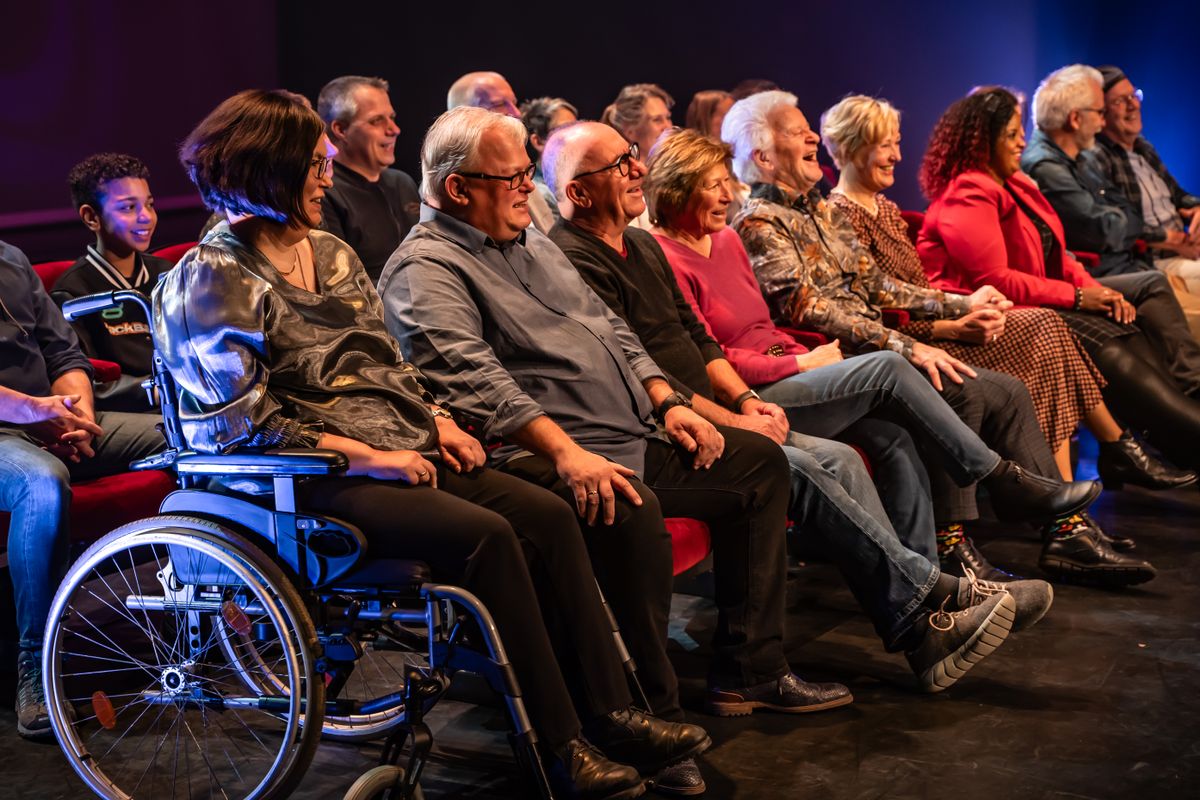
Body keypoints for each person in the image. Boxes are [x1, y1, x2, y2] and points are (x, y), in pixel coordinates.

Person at [159, 89, 708, 800]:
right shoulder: (211, 277)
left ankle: (611, 714)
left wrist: (436, 419)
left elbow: (389, 366)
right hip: (301, 477)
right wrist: (372, 457)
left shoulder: (329, 253)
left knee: (548, 514)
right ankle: (560, 746)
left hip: (395, 449)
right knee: (489, 537)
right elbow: (240, 426)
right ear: (272, 171)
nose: (328, 176)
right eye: (316, 165)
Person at [380, 106, 867, 794]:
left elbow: (611, 328)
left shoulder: (527, 238)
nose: (527, 188)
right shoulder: (425, 268)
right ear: (458, 189)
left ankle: (749, 671)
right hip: (544, 451)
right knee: (627, 507)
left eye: (527, 173)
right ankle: (651, 719)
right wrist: (567, 454)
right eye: (512, 177)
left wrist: (669, 401)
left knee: (758, 466)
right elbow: (476, 381)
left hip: (631, 430)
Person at [547, 122, 1064, 695]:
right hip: (667, 426)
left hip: (722, 405)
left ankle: (924, 629)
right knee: (815, 446)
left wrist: (746, 402)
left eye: (633, 156)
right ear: (578, 192)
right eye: (620, 164)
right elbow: (639, 373)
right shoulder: (572, 259)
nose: (637, 169)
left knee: (844, 455)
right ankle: (936, 591)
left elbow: (699, 340)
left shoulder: (639, 245)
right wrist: (742, 410)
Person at [721, 90, 1154, 588]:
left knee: (1008, 391)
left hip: (879, 346)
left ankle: (1059, 525)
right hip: (841, 356)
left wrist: (962, 303)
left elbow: (879, 286)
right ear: (764, 157)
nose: (812, 137)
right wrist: (909, 344)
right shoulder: (760, 221)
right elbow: (808, 311)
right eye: (798, 132)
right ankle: (955, 546)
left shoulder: (819, 209)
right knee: (964, 389)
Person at [821, 93, 1191, 493]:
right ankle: (1087, 476)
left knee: (1060, 331)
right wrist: (957, 320)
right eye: (884, 145)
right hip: (917, 342)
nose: (896, 155)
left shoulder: (886, 208)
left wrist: (967, 311)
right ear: (850, 148)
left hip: (945, 321)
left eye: (897, 143)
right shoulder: (841, 214)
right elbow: (875, 308)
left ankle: (1073, 493)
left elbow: (1049, 256)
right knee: (1047, 327)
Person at [918, 86, 1200, 480]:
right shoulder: (969, 190)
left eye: (1021, 131)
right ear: (984, 141)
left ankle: (1157, 442)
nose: (1022, 141)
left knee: (1123, 324)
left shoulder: (1014, 183)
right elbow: (994, 281)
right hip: (988, 315)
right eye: (1011, 134)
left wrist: (1096, 292)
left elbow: (1059, 256)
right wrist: (1079, 297)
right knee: (1095, 340)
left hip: (1033, 303)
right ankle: (1149, 448)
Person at [1, 239, 164, 739]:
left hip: (50, 415)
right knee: (43, 483)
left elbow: (63, 351)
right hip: (10, 429)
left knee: (186, 439)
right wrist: (34, 411)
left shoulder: (10, 258)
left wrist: (79, 417)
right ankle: (36, 661)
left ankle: (223, 611)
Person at [1020, 65, 1200, 342]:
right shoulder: (1055, 165)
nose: (1102, 121)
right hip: (1123, 270)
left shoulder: (1096, 155)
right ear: (1076, 118)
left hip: (1135, 267)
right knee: (1161, 289)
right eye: (1102, 110)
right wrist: (1163, 236)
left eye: (1133, 96)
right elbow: (1104, 229)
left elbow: (1135, 211)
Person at [52, 153, 174, 412]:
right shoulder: (73, 292)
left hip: (185, 402)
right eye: (128, 208)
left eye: (149, 205)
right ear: (91, 217)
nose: (146, 216)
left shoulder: (167, 273)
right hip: (133, 412)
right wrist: (159, 390)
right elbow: (86, 383)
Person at [1091, 65, 1200, 298]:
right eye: (1120, 101)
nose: (1133, 105)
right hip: (1154, 262)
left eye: (1133, 95)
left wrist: (1196, 208)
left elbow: (1178, 195)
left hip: (1187, 249)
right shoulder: (1098, 158)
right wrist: (1177, 241)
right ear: (1101, 114)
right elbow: (1122, 226)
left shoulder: (1144, 148)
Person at [316, 75, 421, 284]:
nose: (394, 130)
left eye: (392, 117)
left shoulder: (402, 182)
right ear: (341, 130)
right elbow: (340, 282)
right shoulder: (324, 193)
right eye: (376, 121)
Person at [447, 71, 557, 233]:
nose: (517, 113)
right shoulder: (441, 192)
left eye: (514, 103)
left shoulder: (521, 177)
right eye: (499, 104)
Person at [601, 83, 674, 229]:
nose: (668, 127)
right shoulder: (622, 184)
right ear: (630, 130)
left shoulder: (673, 172)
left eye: (668, 118)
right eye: (657, 120)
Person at [519, 96, 579, 226]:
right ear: (538, 141)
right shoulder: (538, 192)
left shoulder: (577, 178)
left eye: (577, 128)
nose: (577, 137)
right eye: (565, 129)